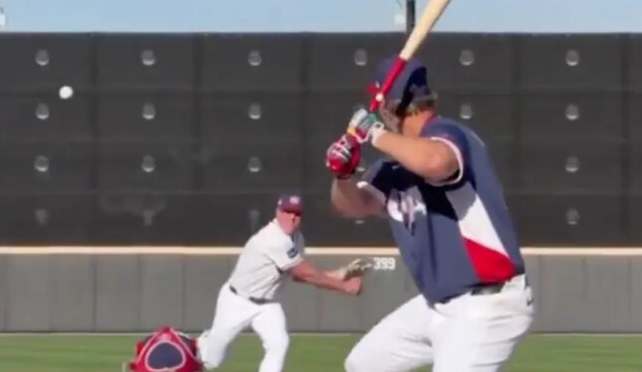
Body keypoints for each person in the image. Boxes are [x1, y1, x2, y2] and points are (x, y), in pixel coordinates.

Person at [325, 55, 535, 372]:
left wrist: (375, 134)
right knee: (363, 364)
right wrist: (344, 174)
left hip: (488, 303)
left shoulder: (448, 134)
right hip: (437, 306)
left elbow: (437, 163)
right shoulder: (393, 166)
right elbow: (351, 206)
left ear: (386, 107)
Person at [196, 193, 364, 372]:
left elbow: (297, 276)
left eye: (296, 213)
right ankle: (198, 343)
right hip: (237, 301)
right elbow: (306, 274)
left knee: (279, 344)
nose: (292, 217)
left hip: (267, 304)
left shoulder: (297, 239)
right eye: (287, 211)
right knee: (212, 361)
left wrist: (339, 274)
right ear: (277, 212)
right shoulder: (273, 238)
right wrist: (343, 286)